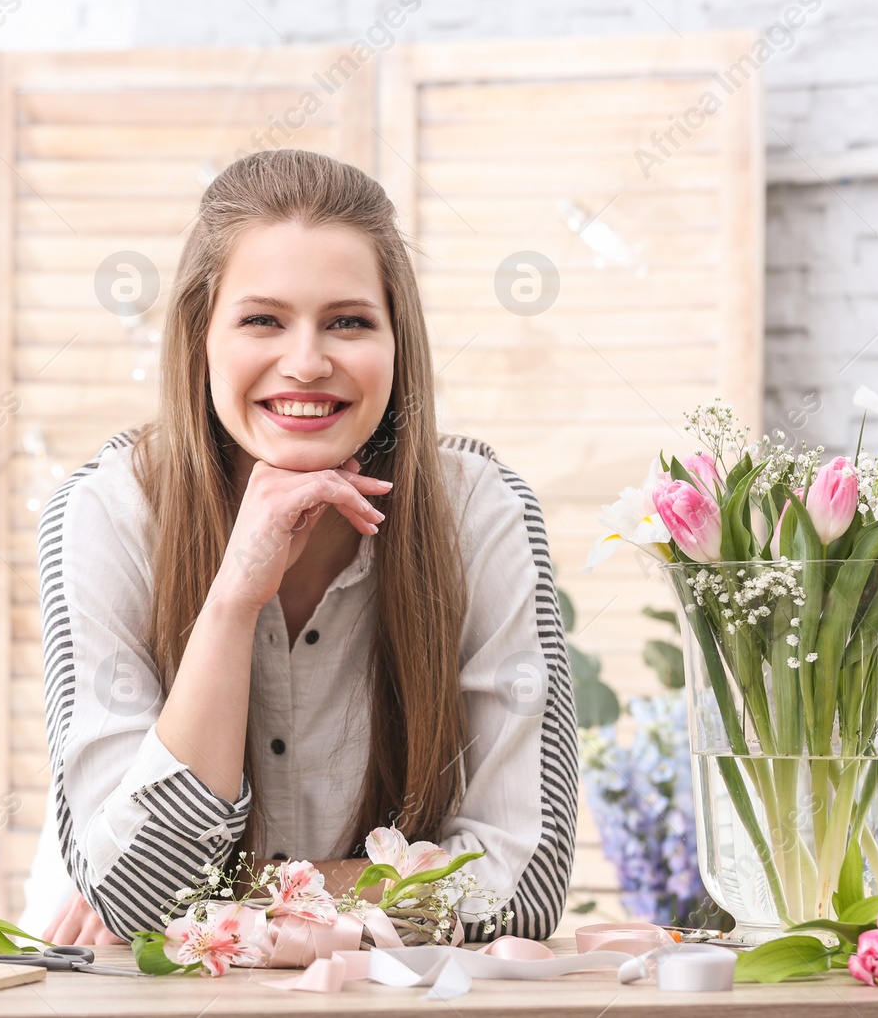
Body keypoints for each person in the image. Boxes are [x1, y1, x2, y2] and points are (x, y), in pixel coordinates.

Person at [38, 148, 578, 947]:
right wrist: (232, 598)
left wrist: (237, 901)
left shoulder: (479, 511)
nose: (306, 362)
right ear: (200, 337)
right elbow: (138, 898)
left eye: (348, 321)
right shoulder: (108, 513)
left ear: (398, 342)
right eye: (263, 319)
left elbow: (521, 889)